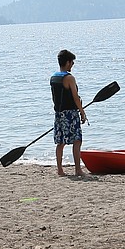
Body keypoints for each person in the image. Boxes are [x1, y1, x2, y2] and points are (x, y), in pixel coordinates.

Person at [50, 49, 87, 177]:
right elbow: (76, 98)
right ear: (67, 62)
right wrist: (82, 113)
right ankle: (78, 170)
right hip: (70, 114)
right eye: (72, 62)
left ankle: (60, 170)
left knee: (60, 142)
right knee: (77, 141)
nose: (72, 65)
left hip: (59, 114)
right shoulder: (69, 78)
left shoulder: (53, 77)